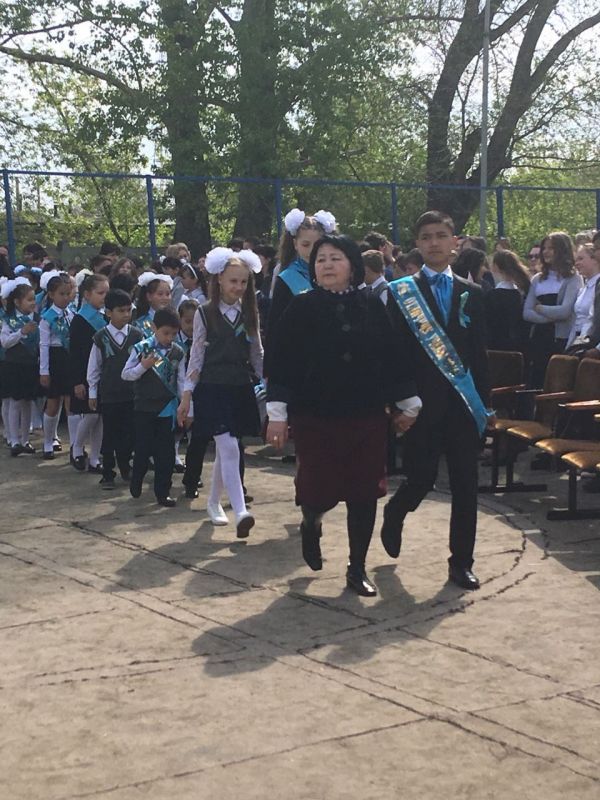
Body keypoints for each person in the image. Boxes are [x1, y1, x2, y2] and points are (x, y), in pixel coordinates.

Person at [265, 234, 420, 596]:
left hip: (366, 415)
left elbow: (393, 356)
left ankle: (357, 567)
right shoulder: (302, 307)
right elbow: (281, 361)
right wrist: (277, 413)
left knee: (364, 493)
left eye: (335, 258)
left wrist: (407, 401)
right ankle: (311, 522)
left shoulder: (372, 305)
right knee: (317, 491)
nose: (327, 265)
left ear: (352, 266)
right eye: (320, 259)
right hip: (315, 417)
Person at [382, 211, 492, 591]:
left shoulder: (472, 292)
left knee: (466, 485)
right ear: (417, 243)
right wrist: (399, 402)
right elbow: (393, 354)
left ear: (454, 242)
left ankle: (461, 562)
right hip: (420, 404)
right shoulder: (401, 292)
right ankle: (396, 511)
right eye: (426, 236)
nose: (434, 242)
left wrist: (485, 406)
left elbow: (479, 354)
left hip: (463, 405)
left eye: (441, 235)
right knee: (421, 479)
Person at [177, 247, 263, 537]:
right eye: (233, 281)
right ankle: (241, 511)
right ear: (219, 281)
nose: (238, 287)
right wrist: (187, 394)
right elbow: (196, 356)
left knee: (229, 446)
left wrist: (270, 385)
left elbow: (257, 353)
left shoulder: (249, 312)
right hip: (212, 388)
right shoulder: (204, 312)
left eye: (243, 282)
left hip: (239, 386)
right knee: (228, 447)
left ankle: (214, 502)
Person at [122, 307, 185, 507]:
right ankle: (137, 477)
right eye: (165, 333)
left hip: (166, 407)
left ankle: (163, 492)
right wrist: (143, 366)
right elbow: (126, 374)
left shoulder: (178, 352)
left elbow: (181, 381)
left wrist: (184, 405)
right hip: (144, 407)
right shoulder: (142, 348)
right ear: (154, 328)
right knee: (143, 448)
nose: (169, 338)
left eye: (173, 334)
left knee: (166, 453)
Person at [265, 208, 336, 373]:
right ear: (295, 244)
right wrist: (270, 370)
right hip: (299, 359)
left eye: (317, 244)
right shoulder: (287, 278)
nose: (312, 250)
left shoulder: (338, 273)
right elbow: (275, 328)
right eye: (305, 244)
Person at [87, 289, 143, 489]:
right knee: (110, 433)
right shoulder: (100, 337)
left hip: (132, 393)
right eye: (121, 310)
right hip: (110, 394)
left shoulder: (137, 335)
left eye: (129, 310)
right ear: (109, 312)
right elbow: (94, 367)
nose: (126, 314)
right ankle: (108, 473)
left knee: (129, 433)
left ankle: (125, 466)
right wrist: (92, 392)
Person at [523, 231, 582, 387]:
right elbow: (526, 312)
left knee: (557, 382)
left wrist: (539, 307)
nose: (546, 252)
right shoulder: (537, 279)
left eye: (551, 248)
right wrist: (548, 318)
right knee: (537, 379)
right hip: (539, 337)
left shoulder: (573, 278)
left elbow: (565, 311)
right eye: (544, 248)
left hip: (560, 339)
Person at [69, 273, 109, 471]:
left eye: (106, 293)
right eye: (100, 293)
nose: (104, 297)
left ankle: (95, 458)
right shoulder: (79, 319)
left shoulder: (105, 317)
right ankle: (77, 448)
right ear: (87, 294)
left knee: (100, 417)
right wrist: (77, 381)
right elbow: (75, 353)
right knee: (90, 414)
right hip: (84, 374)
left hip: (102, 374)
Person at [39, 270, 76, 460]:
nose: (66, 297)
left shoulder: (72, 314)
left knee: (71, 404)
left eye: (68, 293)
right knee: (53, 403)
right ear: (51, 294)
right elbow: (44, 345)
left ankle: (75, 446)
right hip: (55, 359)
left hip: (69, 360)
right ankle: (48, 441)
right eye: (61, 294)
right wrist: (44, 371)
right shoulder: (47, 318)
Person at [0, 277, 40, 455]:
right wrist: (21, 332)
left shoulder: (37, 319)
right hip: (14, 365)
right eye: (29, 299)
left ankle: (25, 439)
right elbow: (5, 342)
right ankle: (14, 439)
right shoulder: (9, 320)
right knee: (15, 401)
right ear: (17, 302)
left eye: (34, 299)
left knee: (27, 403)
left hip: (31, 365)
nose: (33, 303)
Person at [485, 250, 530, 352]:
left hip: (496, 347)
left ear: (495, 267)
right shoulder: (521, 293)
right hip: (519, 346)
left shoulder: (493, 295)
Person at [174, 299, 198, 472]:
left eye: (195, 322)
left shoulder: (202, 340)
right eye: (187, 321)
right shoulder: (173, 341)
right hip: (176, 390)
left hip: (197, 389)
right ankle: (174, 457)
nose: (191, 326)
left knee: (195, 430)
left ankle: (192, 464)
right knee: (177, 427)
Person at [133, 273, 174, 338]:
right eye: (160, 294)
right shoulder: (140, 323)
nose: (165, 298)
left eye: (168, 294)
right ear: (149, 296)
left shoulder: (174, 319)